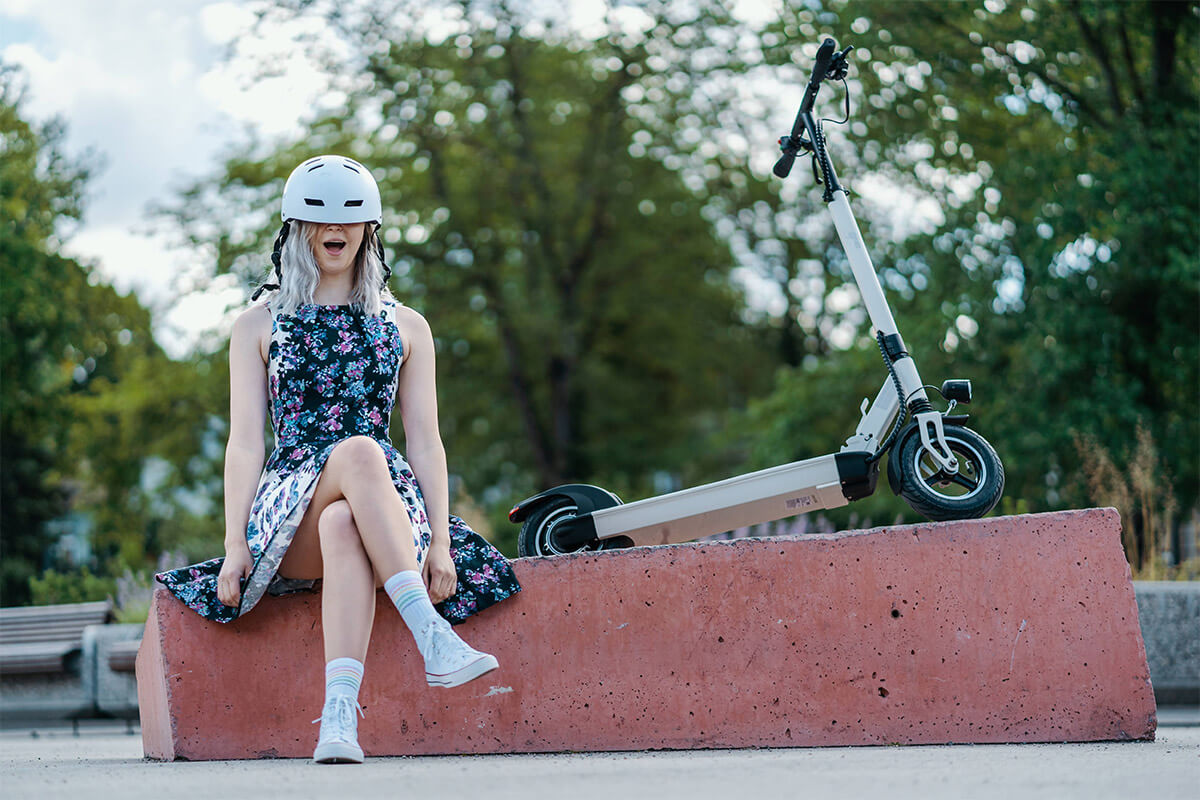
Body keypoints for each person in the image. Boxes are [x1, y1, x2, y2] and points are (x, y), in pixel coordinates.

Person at [155, 154, 521, 764]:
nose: (335, 230)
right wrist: (235, 542)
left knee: (344, 521)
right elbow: (245, 442)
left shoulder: (407, 325)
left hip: (387, 514)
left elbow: (425, 441)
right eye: (318, 219)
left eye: (349, 219)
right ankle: (430, 634)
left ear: (368, 229)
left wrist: (440, 543)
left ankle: (339, 719)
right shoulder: (258, 324)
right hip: (287, 515)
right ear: (295, 229)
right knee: (358, 451)